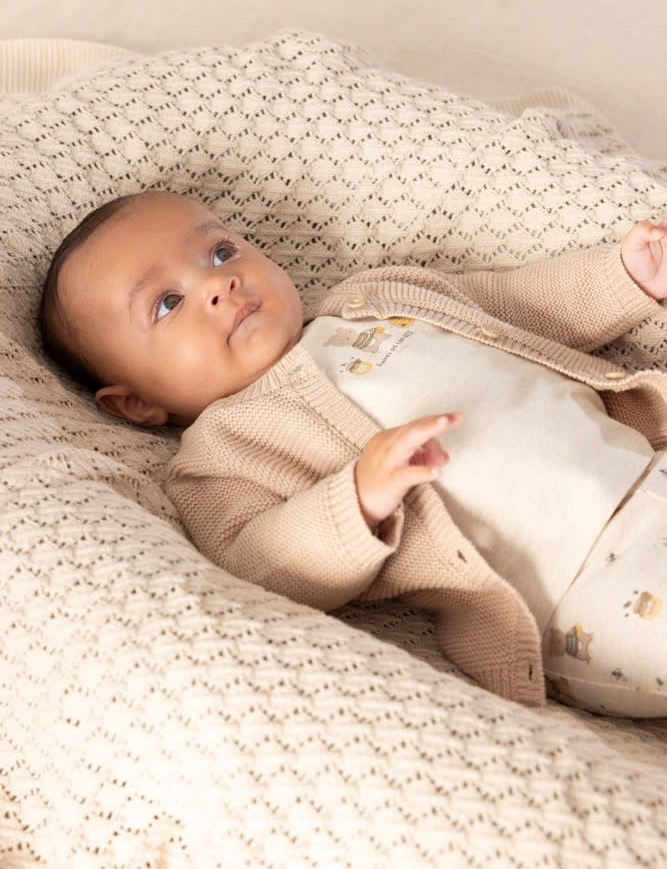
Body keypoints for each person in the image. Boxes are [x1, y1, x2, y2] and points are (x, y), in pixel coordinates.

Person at [39, 189, 667, 716]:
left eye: (221, 252)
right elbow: (258, 563)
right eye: (167, 303)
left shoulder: (373, 297)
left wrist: (622, 277)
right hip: (579, 591)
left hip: (643, 464)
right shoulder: (222, 454)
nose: (217, 283)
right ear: (135, 405)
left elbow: (516, 304)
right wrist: (358, 499)